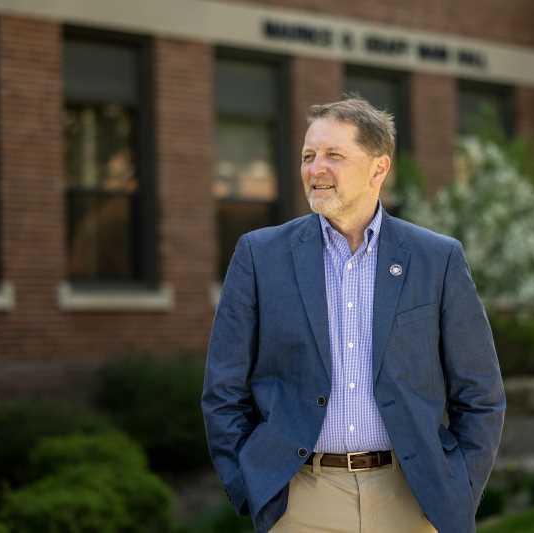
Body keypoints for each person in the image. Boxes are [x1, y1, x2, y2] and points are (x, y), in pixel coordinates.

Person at [202, 97, 505, 533]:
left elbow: (481, 393)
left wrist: (459, 486)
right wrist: (251, 485)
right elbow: (223, 389)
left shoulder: (436, 259)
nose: (315, 169)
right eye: (308, 156)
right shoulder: (259, 255)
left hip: (412, 500)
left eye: (334, 156)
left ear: (378, 168)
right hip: (301, 503)